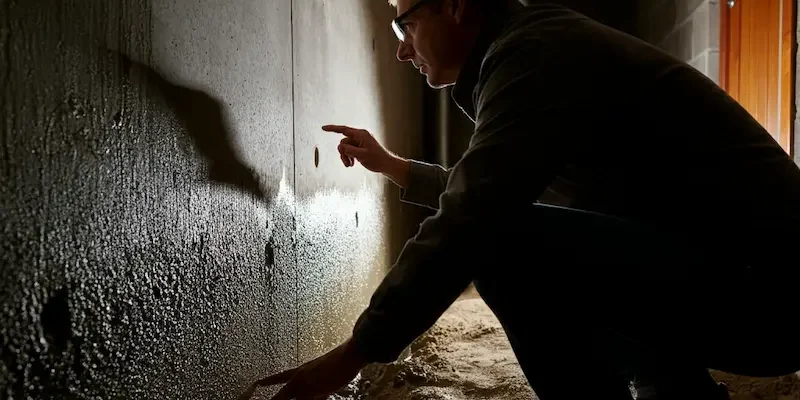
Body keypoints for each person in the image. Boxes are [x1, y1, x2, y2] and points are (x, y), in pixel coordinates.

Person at [241, 0, 800, 399]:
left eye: (402, 21)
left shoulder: (534, 53)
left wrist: (356, 352)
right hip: (742, 278)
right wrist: (396, 168)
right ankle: (672, 386)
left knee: (501, 246)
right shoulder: (535, 47)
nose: (400, 48)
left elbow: (477, 214)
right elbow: (496, 190)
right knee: (522, 235)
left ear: (456, 6)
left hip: (770, 298)